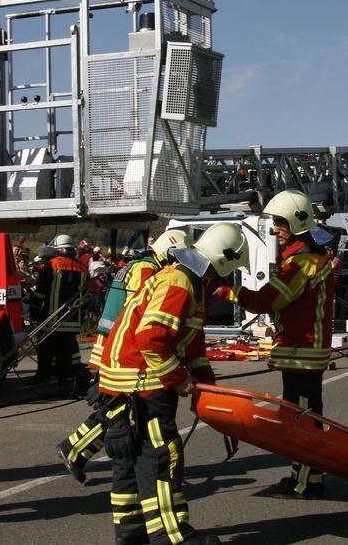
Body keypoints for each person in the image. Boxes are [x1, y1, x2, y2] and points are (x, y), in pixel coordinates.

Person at [98, 222, 246, 545]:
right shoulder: (181, 283)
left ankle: (132, 534)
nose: (224, 281)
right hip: (141, 388)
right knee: (162, 459)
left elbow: (192, 347)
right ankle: (173, 539)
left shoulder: (190, 283)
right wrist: (178, 380)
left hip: (125, 386)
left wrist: (208, 388)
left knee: (131, 464)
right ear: (222, 263)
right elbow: (151, 339)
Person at [215, 190, 334, 500]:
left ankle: (309, 482)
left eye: (278, 223)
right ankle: (301, 475)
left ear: (294, 223)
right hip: (300, 349)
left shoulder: (302, 262)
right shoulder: (305, 257)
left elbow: (269, 299)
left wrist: (228, 291)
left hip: (303, 351)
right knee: (296, 418)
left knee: (303, 419)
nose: (273, 230)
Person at [56, 228, 190, 484]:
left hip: (113, 345)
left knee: (117, 409)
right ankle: (74, 449)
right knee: (120, 411)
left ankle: (75, 449)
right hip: (120, 351)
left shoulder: (137, 265)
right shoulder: (146, 270)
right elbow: (140, 313)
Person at [30, 234, 88, 394]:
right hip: (72, 319)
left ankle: (43, 375)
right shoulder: (82, 267)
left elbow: (41, 291)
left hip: (51, 318)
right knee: (65, 351)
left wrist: (34, 310)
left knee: (44, 347)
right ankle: (64, 381)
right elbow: (86, 293)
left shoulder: (52, 264)